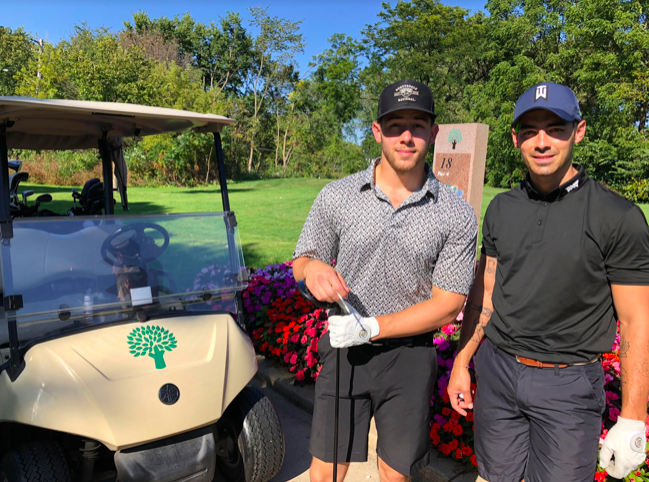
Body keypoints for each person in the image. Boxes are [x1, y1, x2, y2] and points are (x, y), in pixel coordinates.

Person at [447, 82, 649, 482]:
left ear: (579, 130)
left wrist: (633, 419)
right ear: (515, 138)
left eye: (555, 128)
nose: (542, 141)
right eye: (530, 130)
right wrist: (461, 360)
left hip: (569, 386)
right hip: (500, 372)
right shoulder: (502, 209)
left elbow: (637, 322)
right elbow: (484, 295)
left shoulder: (617, 217)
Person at [292, 80, 478, 482]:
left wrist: (373, 327)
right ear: (378, 131)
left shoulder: (456, 214)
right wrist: (312, 269)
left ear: (433, 132)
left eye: (417, 124)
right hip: (345, 351)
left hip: (409, 356)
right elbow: (302, 261)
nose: (406, 135)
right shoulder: (338, 196)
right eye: (395, 125)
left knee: (397, 475)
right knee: (325, 472)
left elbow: (447, 303)